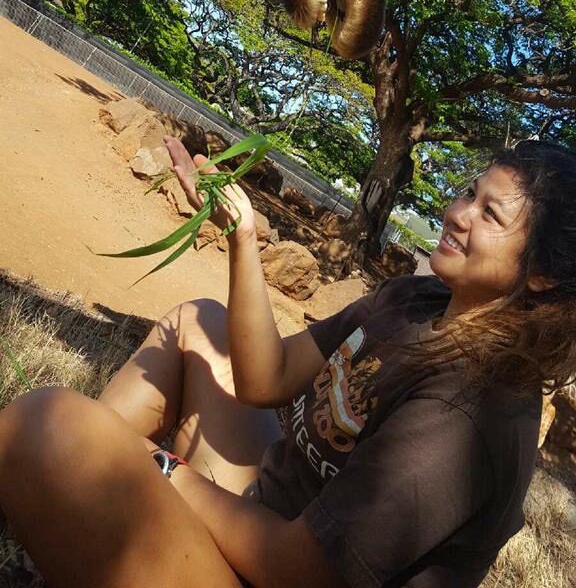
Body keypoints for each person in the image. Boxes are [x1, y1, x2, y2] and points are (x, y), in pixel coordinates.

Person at [0, 137, 575, 588]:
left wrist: (161, 467)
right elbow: (266, 375)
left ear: (543, 273)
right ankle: (67, 516)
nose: (458, 214)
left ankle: (75, 490)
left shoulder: (473, 410)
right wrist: (242, 236)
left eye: (491, 215)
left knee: (48, 427)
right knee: (203, 323)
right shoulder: (413, 300)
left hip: (281, 569)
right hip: (258, 518)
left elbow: (300, 573)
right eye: (469, 193)